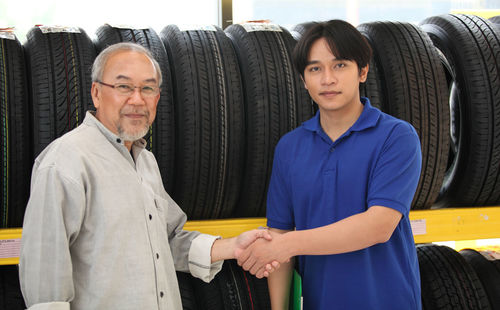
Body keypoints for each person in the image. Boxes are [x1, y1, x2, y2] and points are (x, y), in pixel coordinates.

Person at [19, 42, 275, 310]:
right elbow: (44, 279)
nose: (138, 99)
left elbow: (169, 240)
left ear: (157, 98)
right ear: (96, 93)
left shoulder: (146, 162)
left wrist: (234, 246)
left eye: (148, 88)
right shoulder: (65, 162)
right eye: (124, 87)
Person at [235, 20, 422, 309]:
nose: (327, 79)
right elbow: (280, 234)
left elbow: (378, 226)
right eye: (315, 69)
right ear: (303, 79)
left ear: (362, 71)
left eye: (340, 65)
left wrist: (288, 244)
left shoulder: (396, 137)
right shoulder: (290, 148)